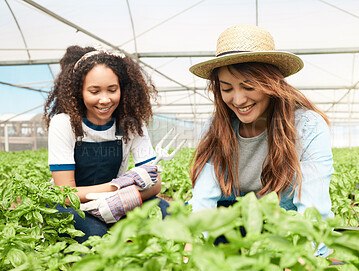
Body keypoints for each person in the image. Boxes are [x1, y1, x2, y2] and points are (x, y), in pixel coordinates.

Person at [187, 25, 334, 257]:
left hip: (283, 225)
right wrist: (192, 248)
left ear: (271, 82)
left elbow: (313, 209)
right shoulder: (218, 125)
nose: (238, 99)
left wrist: (304, 258)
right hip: (228, 225)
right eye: (226, 89)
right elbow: (204, 198)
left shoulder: (306, 126)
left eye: (248, 86)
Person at [44, 45, 169, 243]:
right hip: (74, 206)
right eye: (94, 91)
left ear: (122, 88)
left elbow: (155, 184)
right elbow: (65, 194)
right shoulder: (64, 123)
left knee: (166, 214)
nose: (104, 100)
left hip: (118, 203)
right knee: (96, 235)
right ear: (79, 91)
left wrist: (120, 198)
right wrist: (117, 188)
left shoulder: (131, 124)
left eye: (112, 90)